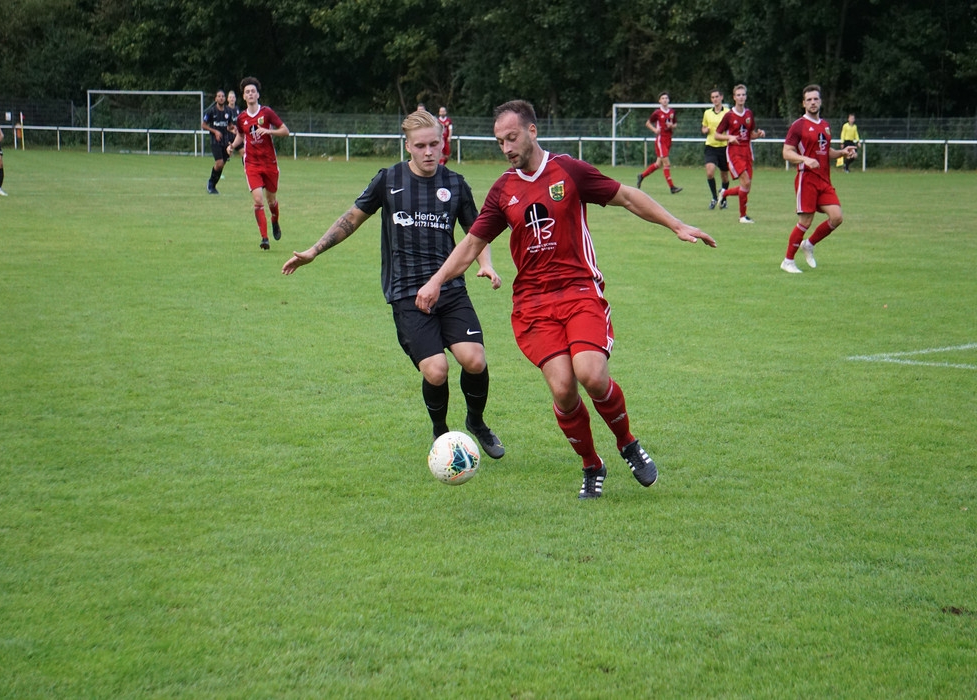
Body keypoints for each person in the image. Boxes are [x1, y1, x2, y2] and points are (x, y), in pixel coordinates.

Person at [416, 100, 717, 499]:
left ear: (532, 131)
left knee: (591, 374)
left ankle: (628, 443)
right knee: (563, 389)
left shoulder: (568, 171)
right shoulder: (503, 190)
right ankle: (592, 465)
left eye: (512, 138)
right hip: (534, 305)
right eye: (500, 141)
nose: (506, 148)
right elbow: (472, 243)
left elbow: (627, 197)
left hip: (579, 291)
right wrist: (437, 281)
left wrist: (676, 225)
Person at [281, 110, 506, 459]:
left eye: (434, 144)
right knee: (436, 370)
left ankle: (476, 422)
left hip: (449, 289)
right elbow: (351, 218)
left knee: (474, 360)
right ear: (408, 146)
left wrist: (486, 264)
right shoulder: (389, 180)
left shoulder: (456, 184)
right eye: (421, 145)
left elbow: (476, 232)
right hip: (406, 293)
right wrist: (314, 250)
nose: (429, 151)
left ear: (442, 142)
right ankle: (441, 431)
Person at [779, 84, 857, 274]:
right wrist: (804, 159)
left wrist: (842, 152)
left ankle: (809, 244)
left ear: (820, 101)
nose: (813, 102)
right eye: (809, 100)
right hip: (806, 179)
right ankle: (788, 261)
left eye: (815, 99)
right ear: (803, 103)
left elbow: (825, 151)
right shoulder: (799, 125)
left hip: (824, 180)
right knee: (805, 221)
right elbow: (786, 152)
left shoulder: (825, 126)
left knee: (837, 217)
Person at [227, 77, 289, 250]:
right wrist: (232, 146)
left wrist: (268, 131)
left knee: (271, 201)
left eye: (253, 91)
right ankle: (264, 238)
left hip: (269, 163)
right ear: (243, 96)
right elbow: (241, 135)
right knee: (258, 200)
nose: (250, 94)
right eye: (247, 92)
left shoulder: (266, 113)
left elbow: (285, 131)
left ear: (258, 94)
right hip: (252, 164)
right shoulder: (241, 118)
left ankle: (275, 220)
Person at [714, 84, 766, 224]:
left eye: (743, 94)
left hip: (747, 152)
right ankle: (742, 216)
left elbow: (750, 135)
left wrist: (759, 134)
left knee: (746, 186)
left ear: (746, 97)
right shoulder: (729, 116)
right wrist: (729, 137)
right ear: (734, 97)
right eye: (738, 95)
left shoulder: (749, 114)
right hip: (734, 152)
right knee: (746, 182)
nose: (741, 97)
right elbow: (716, 135)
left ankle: (724, 193)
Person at [635, 92, 682, 194]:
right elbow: (648, 123)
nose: (665, 100)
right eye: (663, 98)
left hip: (668, 139)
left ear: (668, 100)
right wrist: (655, 130)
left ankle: (641, 176)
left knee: (658, 164)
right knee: (667, 163)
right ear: (659, 101)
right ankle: (672, 187)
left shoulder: (672, 112)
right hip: (661, 140)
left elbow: (675, 124)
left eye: (666, 98)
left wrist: (672, 126)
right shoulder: (657, 113)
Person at [701, 88, 730, 209]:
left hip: (724, 147)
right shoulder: (707, 113)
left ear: (721, 97)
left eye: (717, 97)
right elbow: (703, 127)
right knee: (710, 172)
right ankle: (714, 197)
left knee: (724, 176)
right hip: (711, 146)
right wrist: (705, 130)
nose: (715, 99)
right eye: (713, 97)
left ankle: (723, 198)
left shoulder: (728, 112)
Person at [201, 89, 234, 194]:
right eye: (219, 96)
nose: (221, 98)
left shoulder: (228, 111)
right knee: (219, 163)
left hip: (225, 141)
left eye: (223, 96)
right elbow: (203, 125)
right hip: (215, 141)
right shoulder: (211, 111)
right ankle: (211, 183)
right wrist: (215, 131)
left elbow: (230, 125)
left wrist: (234, 129)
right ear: (215, 98)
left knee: (222, 164)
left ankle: (213, 186)